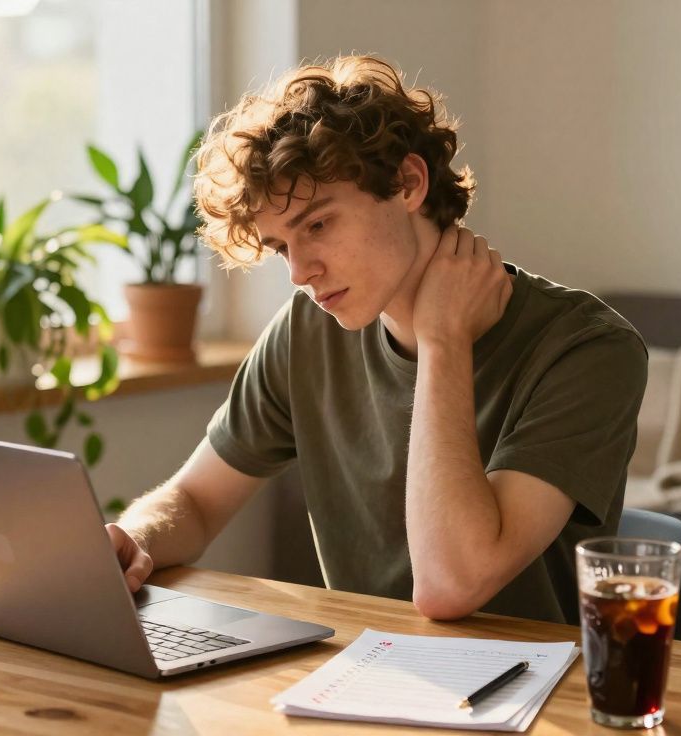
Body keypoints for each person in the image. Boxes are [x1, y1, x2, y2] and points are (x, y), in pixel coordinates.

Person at [106, 55, 648, 624]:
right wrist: (133, 540)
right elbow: (195, 501)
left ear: (408, 183)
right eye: (282, 247)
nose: (300, 272)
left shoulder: (589, 350)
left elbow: (451, 585)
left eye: (318, 225)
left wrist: (442, 340)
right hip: (359, 665)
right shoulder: (305, 330)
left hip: (535, 677)